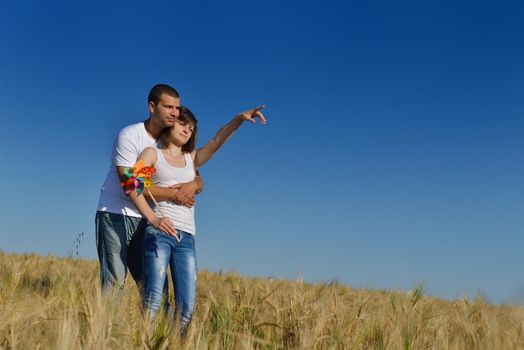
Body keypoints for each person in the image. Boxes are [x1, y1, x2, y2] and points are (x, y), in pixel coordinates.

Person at [127, 105, 266, 331]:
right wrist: (154, 218)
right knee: (153, 302)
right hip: (158, 234)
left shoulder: (191, 159)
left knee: (187, 308)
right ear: (171, 124)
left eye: (191, 129)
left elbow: (215, 142)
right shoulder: (152, 154)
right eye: (183, 124)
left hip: (187, 239)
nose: (187, 130)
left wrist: (238, 119)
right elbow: (134, 187)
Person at [95, 84, 204, 292]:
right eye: (168, 107)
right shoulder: (130, 136)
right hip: (117, 214)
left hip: (149, 223)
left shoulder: (171, 140)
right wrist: (161, 209)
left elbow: (195, 175)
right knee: (115, 281)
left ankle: (154, 325)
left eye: (177, 108)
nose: (175, 113)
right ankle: (105, 325)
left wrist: (194, 185)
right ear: (152, 107)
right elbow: (130, 183)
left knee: (153, 288)